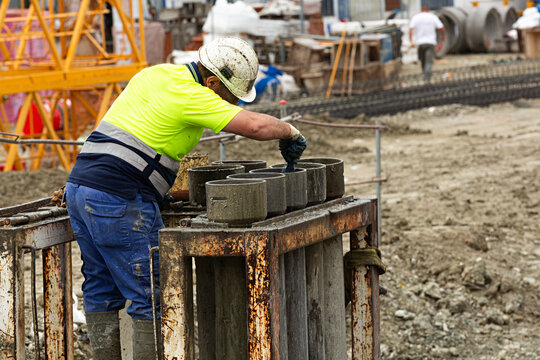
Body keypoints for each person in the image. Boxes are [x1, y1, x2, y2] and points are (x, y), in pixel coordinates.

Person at [64, 37, 306, 360]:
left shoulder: (157, 75)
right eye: (231, 98)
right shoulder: (193, 95)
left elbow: (138, 132)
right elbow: (254, 126)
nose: (231, 107)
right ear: (211, 82)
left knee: (100, 288)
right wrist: (289, 130)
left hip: (80, 188)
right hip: (119, 197)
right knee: (152, 296)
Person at [409, 4, 445, 82]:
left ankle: (425, 76)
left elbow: (411, 29)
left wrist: (411, 40)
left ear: (421, 10)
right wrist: (442, 40)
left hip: (420, 43)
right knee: (429, 62)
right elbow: (442, 28)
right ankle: (427, 78)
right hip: (430, 43)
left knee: (423, 61)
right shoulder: (433, 17)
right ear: (428, 10)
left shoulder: (416, 17)